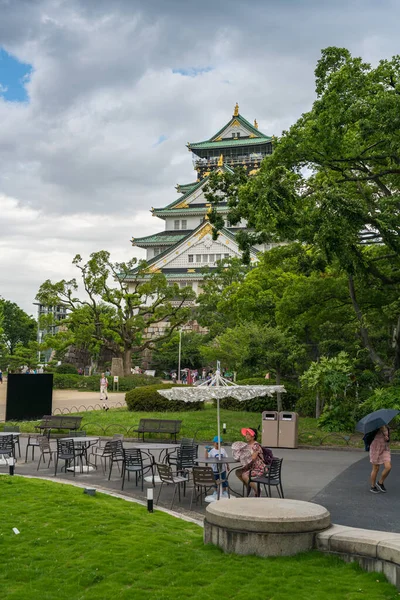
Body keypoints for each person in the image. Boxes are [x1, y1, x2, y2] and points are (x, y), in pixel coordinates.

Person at [234, 428, 266, 496]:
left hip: (259, 467)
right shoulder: (246, 446)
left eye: (249, 434)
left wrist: (244, 456)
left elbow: (253, 458)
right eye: (246, 434)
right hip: (251, 466)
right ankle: (248, 487)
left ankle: (257, 490)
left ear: (253, 436)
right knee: (238, 472)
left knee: (244, 475)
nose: (247, 436)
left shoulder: (256, 446)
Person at [368, 426, 392, 493]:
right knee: (376, 468)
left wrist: (387, 438)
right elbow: (369, 438)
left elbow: (388, 438)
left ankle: (380, 482)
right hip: (375, 450)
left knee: (388, 467)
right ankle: (373, 486)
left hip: (385, 449)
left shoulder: (386, 427)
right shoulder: (373, 428)